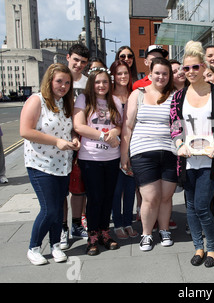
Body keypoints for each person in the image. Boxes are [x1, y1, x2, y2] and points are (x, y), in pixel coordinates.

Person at [170, 41, 214, 268]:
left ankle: (212, 249)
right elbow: (175, 125)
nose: (190, 72)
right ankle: (198, 246)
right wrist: (179, 143)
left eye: (194, 67)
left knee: (201, 207)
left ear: (203, 66)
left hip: (210, 160)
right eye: (185, 69)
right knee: (190, 208)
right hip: (187, 160)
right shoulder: (178, 97)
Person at [21, 63, 80, 265]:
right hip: (40, 165)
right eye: (59, 81)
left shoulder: (66, 102)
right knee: (50, 209)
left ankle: (55, 244)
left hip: (62, 165)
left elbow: (69, 128)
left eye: (66, 82)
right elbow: (26, 131)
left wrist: (73, 137)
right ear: (49, 80)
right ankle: (34, 247)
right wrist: (56, 142)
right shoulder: (36, 100)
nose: (63, 86)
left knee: (59, 208)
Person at [121, 58, 177, 251]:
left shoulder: (175, 95)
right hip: (142, 152)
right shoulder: (138, 94)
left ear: (169, 76)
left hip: (170, 151)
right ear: (150, 74)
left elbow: (179, 125)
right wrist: (124, 155)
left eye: (165, 74)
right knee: (150, 197)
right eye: (158, 73)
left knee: (166, 196)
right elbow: (127, 126)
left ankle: (164, 230)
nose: (161, 77)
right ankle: (146, 234)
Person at [73, 67, 123, 256]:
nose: (101, 85)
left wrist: (114, 133)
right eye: (97, 82)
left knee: (108, 197)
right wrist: (103, 137)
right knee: (94, 198)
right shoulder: (83, 99)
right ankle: (92, 236)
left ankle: (105, 232)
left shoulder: (115, 101)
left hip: (111, 157)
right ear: (91, 83)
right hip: (90, 158)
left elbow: (119, 126)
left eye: (104, 82)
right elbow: (79, 125)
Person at [61, 43, 90, 249]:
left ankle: (76, 224)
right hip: (57, 144)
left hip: (81, 143)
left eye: (83, 62)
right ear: (68, 57)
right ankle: (62, 228)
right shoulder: (59, 79)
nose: (79, 65)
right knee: (61, 189)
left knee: (79, 188)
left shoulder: (88, 84)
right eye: (76, 60)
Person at [109, 60, 139, 240]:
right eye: (119, 73)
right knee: (116, 189)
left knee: (129, 188)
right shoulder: (108, 96)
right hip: (112, 150)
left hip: (133, 146)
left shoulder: (134, 95)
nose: (122, 77)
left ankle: (128, 222)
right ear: (113, 75)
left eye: (125, 73)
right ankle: (117, 224)